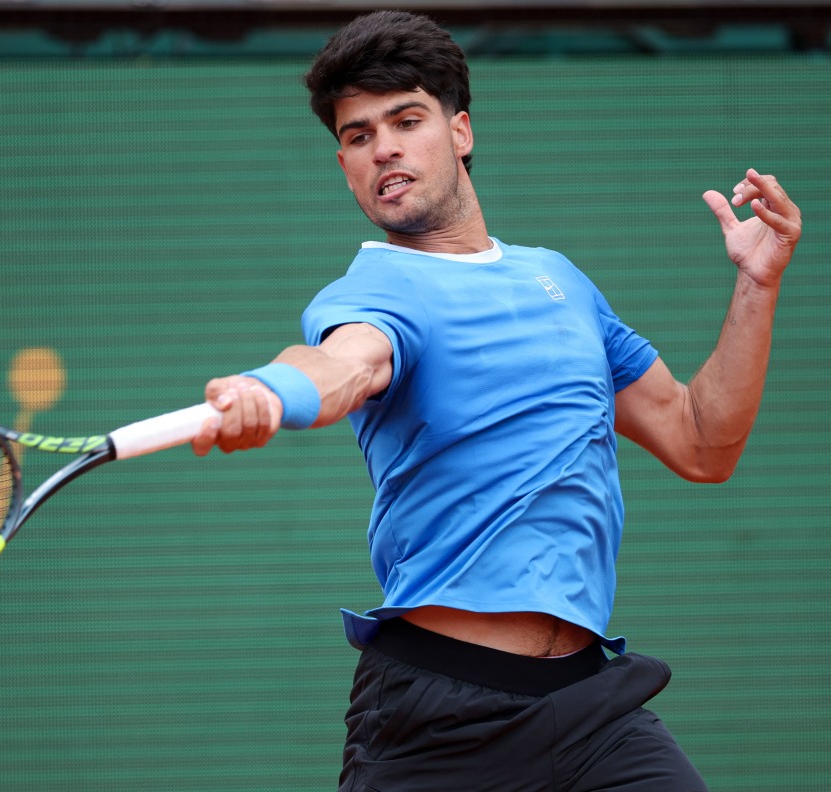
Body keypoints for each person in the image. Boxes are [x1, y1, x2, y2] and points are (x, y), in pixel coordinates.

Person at [189, 9, 803, 792]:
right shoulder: (377, 289)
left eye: (406, 120)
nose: (383, 148)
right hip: (439, 717)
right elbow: (341, 364)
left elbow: (701, 441)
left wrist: (757, 285)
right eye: (357, 135)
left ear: (460, 132)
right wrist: (268, 394)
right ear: (344, 163)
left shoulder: (560, 281)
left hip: (591, 705)